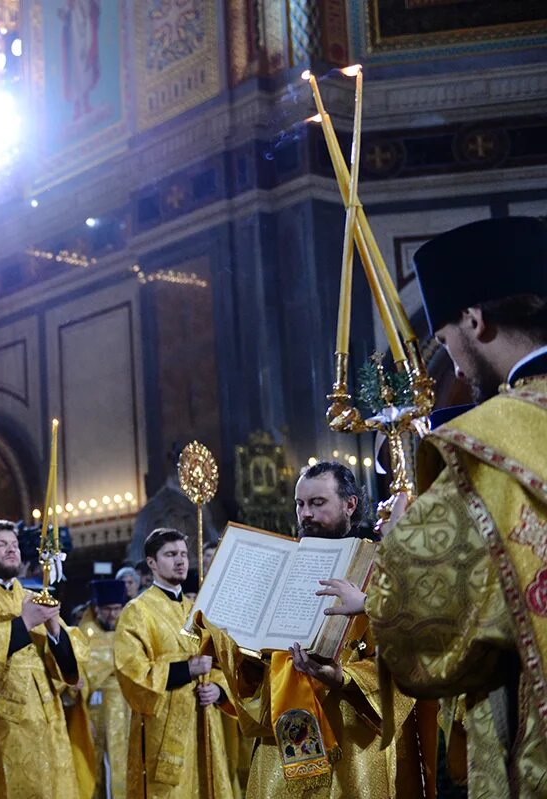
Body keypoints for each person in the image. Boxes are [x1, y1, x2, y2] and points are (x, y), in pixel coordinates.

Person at [361, 216, 547, 795]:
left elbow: (419, 630)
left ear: (474, 320)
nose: (457, 369)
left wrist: (398, 544)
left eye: (445, 343)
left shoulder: (489, 441)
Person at [203, 463, 428, 798]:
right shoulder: (276, 566)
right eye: (300, 504)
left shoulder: (381, 566)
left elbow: (410, 654)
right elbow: (250, 669)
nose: (305, 513)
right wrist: (226, 632)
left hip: (354, 739)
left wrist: (343, 678)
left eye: (318, 503)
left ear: (350, 504)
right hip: (282, 737)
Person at [0, 519, 91, 798]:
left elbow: (72, 664)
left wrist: (55, 630)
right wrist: (24, 623)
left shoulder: (33, 597)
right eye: (0, 545)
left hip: (48, 725)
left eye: (15, 545)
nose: (12, 550)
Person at [114, 528, 234, 798]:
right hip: (162, 726)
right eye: (170, 555)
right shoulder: (137, 611)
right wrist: (187, 669)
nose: (180, 560)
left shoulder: (196, 609)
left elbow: (218, 663)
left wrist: (218, 689)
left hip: (203, 719)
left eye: (183, 554)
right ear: (152, 563)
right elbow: (131, 671)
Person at [80, 579, 130, 799]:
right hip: (97, 711)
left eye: (117, 609)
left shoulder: (129, 632)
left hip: (129, 710)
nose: (113, 615)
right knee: (103, 768)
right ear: (96, 608)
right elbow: (79, 677)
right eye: (107, 609)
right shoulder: (84, 635)